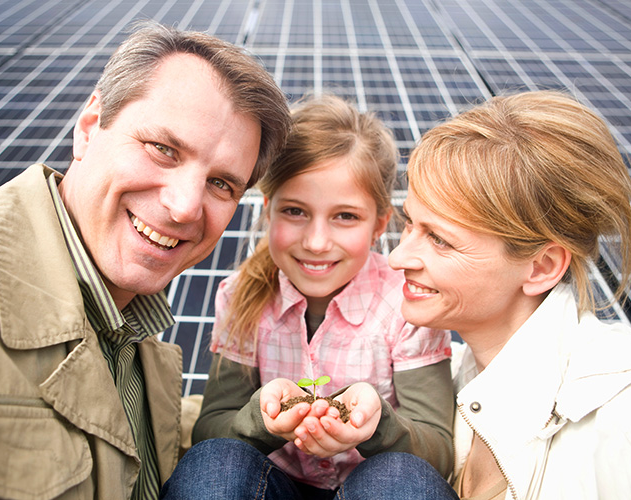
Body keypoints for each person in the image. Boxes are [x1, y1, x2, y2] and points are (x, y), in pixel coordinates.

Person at [0, 20, 290, 500]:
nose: (184, 206)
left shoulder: (142, 356)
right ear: (90, 128)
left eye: (221, 183)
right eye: (163, 149)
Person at [160, 95, 457, 500]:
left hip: (367, 487)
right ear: (268, 210)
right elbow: (210, 429)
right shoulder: (240, 296)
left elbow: (438, 451)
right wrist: (261, 420)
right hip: (272, 486)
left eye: (345, 216)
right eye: (295, 211)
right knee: (215, 465)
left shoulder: (407, 304)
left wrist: (377, 427)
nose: (316, 242)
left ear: (379, 225)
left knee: (401, 478)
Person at [388, 90, 631, 499]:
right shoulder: (449, 380)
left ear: (542, 267)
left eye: (440, 240)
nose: (397, 257)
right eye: (410, 224)